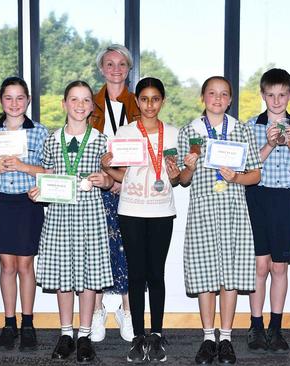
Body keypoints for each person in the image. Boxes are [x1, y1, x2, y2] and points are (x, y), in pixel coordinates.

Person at [28, 80, 114, 363]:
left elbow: (111, 177)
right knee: (64, 277)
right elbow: (49, 174)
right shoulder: (52, 140)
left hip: (90, 215)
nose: (80, 105)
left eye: (86, 100)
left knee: (88, 276)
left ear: (92, 106)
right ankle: (66, 333)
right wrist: (39, 190)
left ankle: (85, 335)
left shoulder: (101, 140)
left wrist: (106, 180)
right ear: (64, 104)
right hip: (60, 215)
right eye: (74, 100)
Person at [178, 76, 261, 365]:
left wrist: (236, 177)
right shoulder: (191, 131)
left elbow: (256, 174)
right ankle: (207, 338)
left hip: (233, 211)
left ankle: (225, 337)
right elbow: (183, 180)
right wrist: (187, 167)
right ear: (203, 97)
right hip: (202, 212)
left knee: (231, 275)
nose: (217, 98)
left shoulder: (241, 130)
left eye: (223, 94)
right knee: (205, 277)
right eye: (212, 93)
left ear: (230, 99)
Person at [101, 77, 180, 363]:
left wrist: (177, 172)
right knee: (135, 274)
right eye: (144, 98)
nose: (149, 104)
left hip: (161, 211)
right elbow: (123, 175)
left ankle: (156, 335)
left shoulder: (172, 134)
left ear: (162, 101)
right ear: (137, 101)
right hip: (131, 209)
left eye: (155, 98)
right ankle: (137, 335)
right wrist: (106, 167)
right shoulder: (124, 133)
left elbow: (180, 178)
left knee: (155, 274)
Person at [244, 68, 290, 354]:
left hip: (285, 198)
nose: (276, 100)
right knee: (260, 265)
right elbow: (246, 166)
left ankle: (276, 326)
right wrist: (269, 145)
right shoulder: (251, 125)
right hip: (257, 197)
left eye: (282, 94)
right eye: (270, 95)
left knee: (279, 266)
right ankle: (256, 325)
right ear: (262, 95)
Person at [0, 76, 48, 351]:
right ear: (0, 100)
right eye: (9, 97)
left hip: (28, 204)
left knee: (25, 266)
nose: (14, 103)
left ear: (28, 100)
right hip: (0, 203)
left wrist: (23, 166)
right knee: (7, 266)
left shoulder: (41, 132)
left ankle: (28, 323)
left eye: (20, 97)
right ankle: (9, 324)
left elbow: (50, 171)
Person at [89, 44, 141, 342]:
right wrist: (107, 177)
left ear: (129, 68)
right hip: (97, 183)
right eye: (110, 63)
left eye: (122, 63)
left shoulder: (139, 103)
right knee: (97, 246)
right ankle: (96, 310)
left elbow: (149, 148)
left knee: (129, 248)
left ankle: (128, 310)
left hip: (131, 185)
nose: (116, 69)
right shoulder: (89, 102)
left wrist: (124, 178)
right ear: (102, 68)